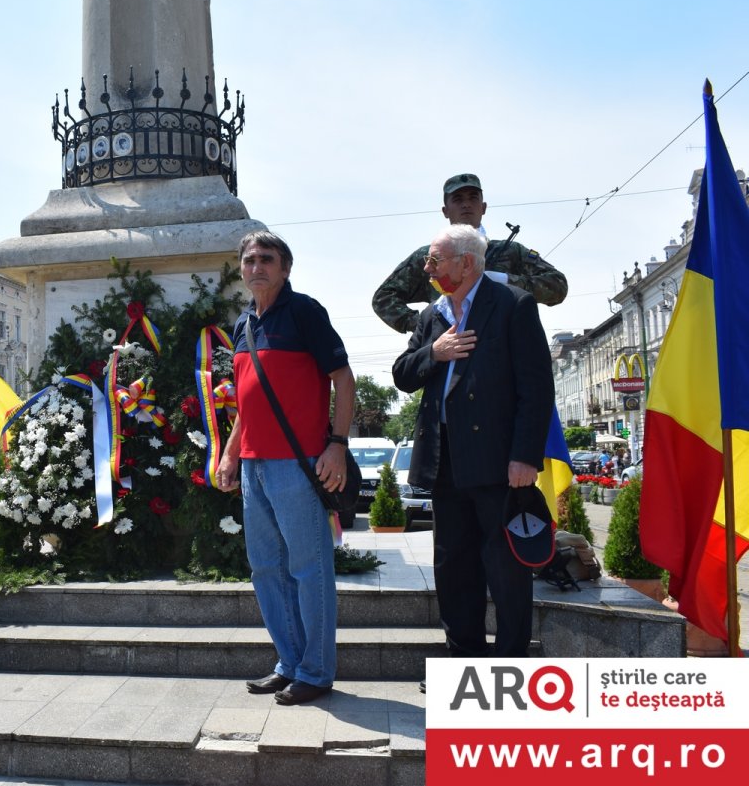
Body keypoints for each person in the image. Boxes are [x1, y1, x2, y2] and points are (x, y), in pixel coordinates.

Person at [393, 224, 553, 662]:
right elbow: (403, 374)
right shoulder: (432, 316)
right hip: (444, 462)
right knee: (453, 567)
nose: (427, 268)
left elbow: (536, 388)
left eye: (434, 260)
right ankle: (462, 659)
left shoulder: (512, 305)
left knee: (505, 569)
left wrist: (525, 456)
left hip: (498, 463)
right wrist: (435, 352)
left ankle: (509, 663)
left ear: (466, 263)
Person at [216, 230, 356, 706]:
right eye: (250, 259)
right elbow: (246, 403)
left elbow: (343, 378)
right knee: (266, 569)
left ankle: (316, 671)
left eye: (267, 259)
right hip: (253, 464)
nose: (257, 267)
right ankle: (289, 662)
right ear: (241, 268)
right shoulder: (242, 325)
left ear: (285, 267)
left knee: (308, 567)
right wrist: (231, 451)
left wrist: (336, 445)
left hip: (298, 463)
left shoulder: (306, 312)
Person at [372, 174, 568, 334]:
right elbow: (383, 298)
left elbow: (557, 285)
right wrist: (423, 324)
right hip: (449, 351)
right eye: (458, 199)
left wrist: (506, 280)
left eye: (473, 198)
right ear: (445, 210)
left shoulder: (510, 251)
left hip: (502, 348)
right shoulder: (429, 256)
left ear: (483, 207)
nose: (466, 204)